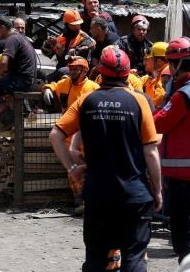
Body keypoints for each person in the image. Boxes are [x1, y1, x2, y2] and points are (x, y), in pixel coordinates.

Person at [49, 46, 162, 271]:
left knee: (96, 258)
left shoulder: (86, 100)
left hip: (97, 194)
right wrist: (158, 190)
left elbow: (55, 136)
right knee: (134, 259)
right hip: (134, 195)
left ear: (101, 70)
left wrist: (72, 168)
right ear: (128, 71)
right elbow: (150, 151)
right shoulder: (139, 101)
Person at [153, 36, 190, 263]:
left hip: (184, 178)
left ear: (175, 64)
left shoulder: (183, 95)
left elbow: (161, 122)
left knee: (184, 239)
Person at [42, 57, 100, 209]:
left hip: (88, 133)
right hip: (68, 133)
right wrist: (47, 88)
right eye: (71, 68)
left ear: (85, 71)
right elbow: (53, 85)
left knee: (91, 164)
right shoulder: (64, 84)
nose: (72, 71)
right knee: (72, 168)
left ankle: (93, 199)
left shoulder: (93, 87)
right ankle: (80, 200)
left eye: (76, 69)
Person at [0, 17, 37, 130]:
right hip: (23, 79)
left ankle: (11, 120)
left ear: (3, 28)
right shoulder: (21, 38)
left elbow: (3, 61)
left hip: (21, 80)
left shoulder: (12, 39)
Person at [41, 9, 92, 82]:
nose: (76, 27)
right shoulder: (61, 37)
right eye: (73, 25)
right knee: (44, 81)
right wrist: (48, 44)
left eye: (78, 24)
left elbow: (79, 55)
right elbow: (47, 53)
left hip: (77, 73)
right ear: (66, 24)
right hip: (60, 71)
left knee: (62, 71)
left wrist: (63, 50)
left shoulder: (84, 38)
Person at [140, 42, 169, 108]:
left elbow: (160, 95)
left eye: (146, 60)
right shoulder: (161, 72)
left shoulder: (166, 73)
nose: (144, 63)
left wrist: (145, 109)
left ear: (159, 61)